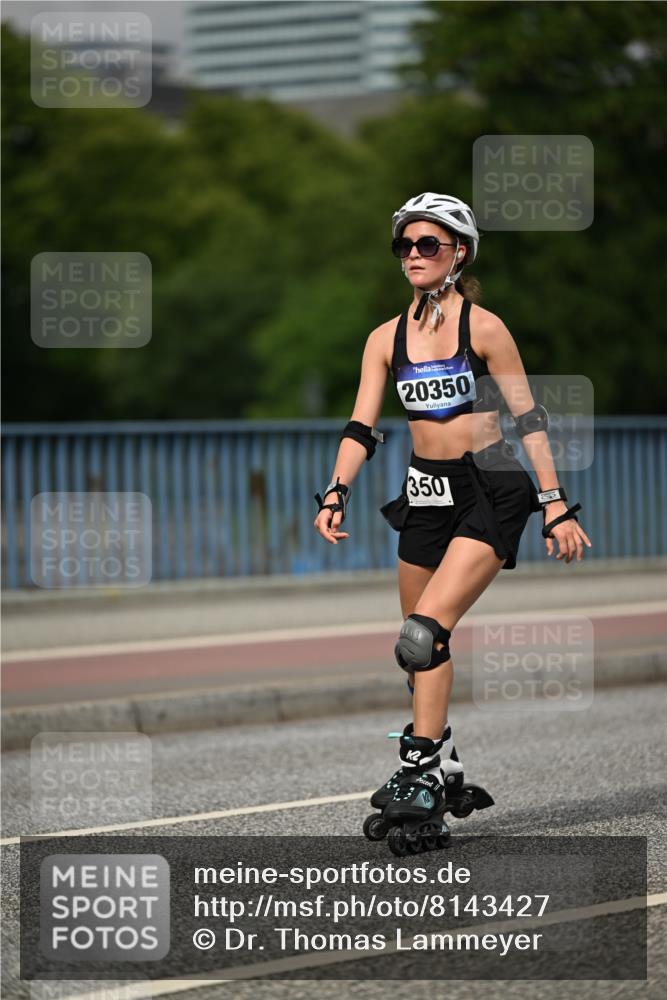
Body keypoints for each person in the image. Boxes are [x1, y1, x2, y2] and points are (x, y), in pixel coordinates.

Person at [313, 192, 591, 853]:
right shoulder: (385, 338)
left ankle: (416, 775)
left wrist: (552, 504)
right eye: (404, 245)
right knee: (418, 658)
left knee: (421, 634)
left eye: (426, 244)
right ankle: (444, 765)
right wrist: (335, 491)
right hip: (425, 492)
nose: (412, 255)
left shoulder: (484, 328)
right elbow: (361, 425)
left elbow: (527, 419)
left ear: (457, 252)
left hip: (488, 488)